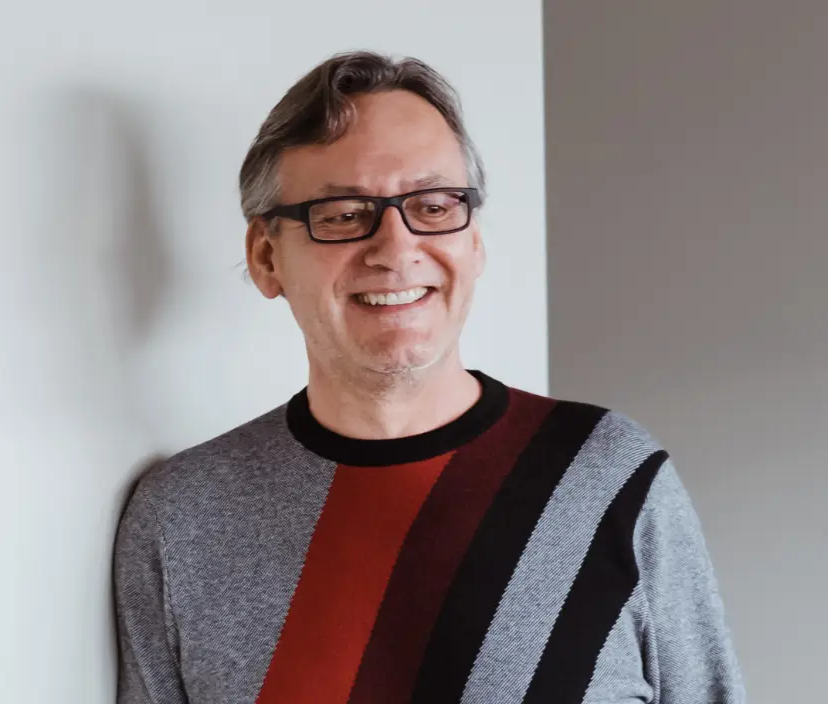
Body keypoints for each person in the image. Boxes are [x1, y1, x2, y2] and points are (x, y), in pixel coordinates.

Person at [113, 51, 745, 704]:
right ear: (266, 256)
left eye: (435, 206)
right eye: (344, 214)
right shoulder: (181, 518)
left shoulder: (610, 475)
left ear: (474, 242)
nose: (396, 248)